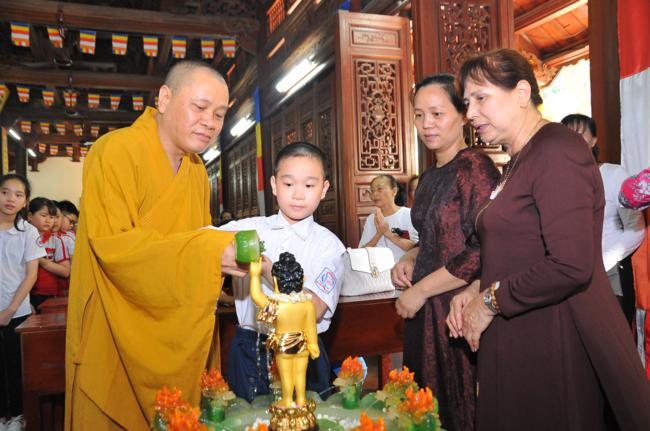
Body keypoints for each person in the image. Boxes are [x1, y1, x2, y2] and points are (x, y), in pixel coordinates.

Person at [448, 48, 650, 430]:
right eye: (466, 102)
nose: (470, 113)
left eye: (480, 98)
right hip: (522, 329)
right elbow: (522, 247)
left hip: (552, 335)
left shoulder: (557, 150)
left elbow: (570, 264)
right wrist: (476, 287)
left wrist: (490, 301)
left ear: (522, 92)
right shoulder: (521, 158)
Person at [64, 61, 247, 431]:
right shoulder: (115, 151)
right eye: (200, 107)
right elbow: (116, 247)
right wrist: (210, 252)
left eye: (219, 114)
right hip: (116, 321)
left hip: (175, 325)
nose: (210, 122)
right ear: (164, 98)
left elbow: (192, 245)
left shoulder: (196, 171)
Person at [391, 74, 499, 431]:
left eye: (437, 114)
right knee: (423, 405)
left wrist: (421, 290)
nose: (427, 124)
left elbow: (482, 248)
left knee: (456, 404)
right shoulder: (430, 175)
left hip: (457, 307)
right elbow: (435, 236)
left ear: (463, 115)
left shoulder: (475, 167)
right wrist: (411, 255)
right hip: (425, 308)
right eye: (419, 115)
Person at [219, 142, 345, 402]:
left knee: (307, 414)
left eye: (309, 185)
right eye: (288, 184)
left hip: (302, 349)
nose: (298, 194)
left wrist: (268, 271)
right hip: (250, 347)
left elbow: (315, 308)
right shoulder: (249, 229)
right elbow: (199, 242)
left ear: (324, 189)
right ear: (274, 185)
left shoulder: (329, 246)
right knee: (249, 416)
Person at [561, 114, 645, 315]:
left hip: (607, 271)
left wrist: (602, 262)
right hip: (568, 273)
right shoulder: (557, 181)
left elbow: (636, 230)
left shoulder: (613, 174)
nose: (572, 141)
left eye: (579, 134)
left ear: (594, 140)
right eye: (566, 136)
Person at [0, 174, 46, 431]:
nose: (11, 199)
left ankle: (17, 416)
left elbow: (31, 275)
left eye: (18, 195)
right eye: (5, 192)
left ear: (25, 201)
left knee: (15, 367)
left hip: (16, 312)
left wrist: (9, 310)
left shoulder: (28, 232)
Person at [249, 253, 319, 408]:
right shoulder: (307, 305)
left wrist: (254, 276)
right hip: (302, 345)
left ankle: (287, 399)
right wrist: (313, 344)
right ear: (302, 280)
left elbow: (256, 295)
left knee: (286, 374)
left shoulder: (277, 306)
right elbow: (311, 327)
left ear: (275, 282)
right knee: (300, 373)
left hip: (284, 346)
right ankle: (301, 399)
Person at [359, 174, 418, 261]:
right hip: (377, 269)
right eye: (372, 190)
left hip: (402, 268)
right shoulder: (371, 219)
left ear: (394, 191)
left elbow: (416, 248)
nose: (374, 194)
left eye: (380, 189)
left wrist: (388, 233)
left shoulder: (409, 214)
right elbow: (361, 252)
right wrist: (378, 235)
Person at [27, 197, 70, 310]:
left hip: (49, 294)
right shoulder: (21, 239)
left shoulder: (56, 241)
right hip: (24, 294)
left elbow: (65, 271)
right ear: (30, 216)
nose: (48, 220)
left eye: (52, 217)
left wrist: (40, 259)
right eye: (43, 215)